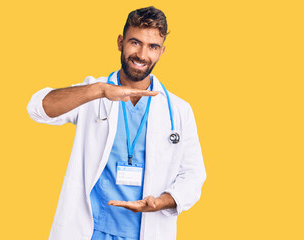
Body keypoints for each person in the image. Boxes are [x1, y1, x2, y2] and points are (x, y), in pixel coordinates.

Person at [27, 6, 206, 240]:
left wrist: (159, 202)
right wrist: (99, 90)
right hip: (88, 230)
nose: (142, 54)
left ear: (162, 52)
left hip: (145, 230)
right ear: (120, 42)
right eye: (135, 42)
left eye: (152, 46)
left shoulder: (179, 110)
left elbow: (193, 176)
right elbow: (38, 108)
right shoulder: (92, 93)